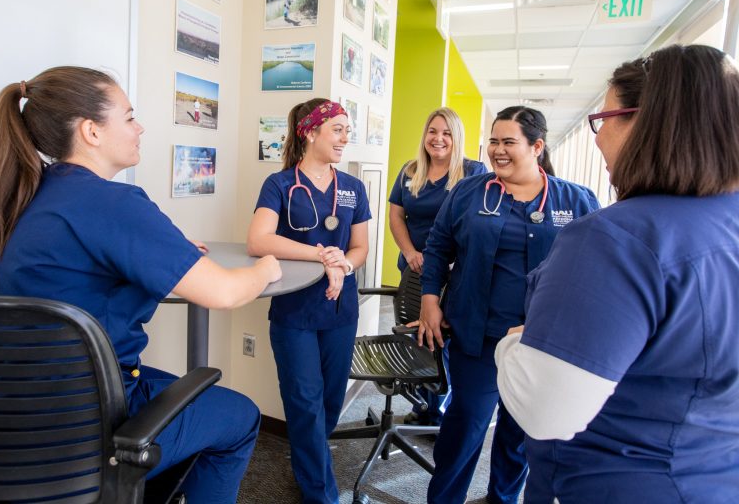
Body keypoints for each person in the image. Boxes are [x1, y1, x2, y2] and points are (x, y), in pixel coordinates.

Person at [0, 66, 282, 504]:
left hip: (4, 425)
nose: (141, 127)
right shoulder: (112, 202)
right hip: (82, 427)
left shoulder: (22, 198)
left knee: (172, 389)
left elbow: (83, 267)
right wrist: (267, 266)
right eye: (130, 116)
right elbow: (225, 292)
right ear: (92, 131)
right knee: (240, 416)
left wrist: (166, 249)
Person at [495, 44, 739, 503]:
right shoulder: (726, 223)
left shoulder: (613, 238)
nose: (597, 137)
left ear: (649, 120)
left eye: (604, 119)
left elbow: (546, 410)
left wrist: (514, 342)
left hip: (615, 482)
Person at [417, 106, 600, 504]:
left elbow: (596, 265)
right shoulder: (469, 191)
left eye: (508, 142)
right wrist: (430, 299)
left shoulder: (577, 199)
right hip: (475, 335)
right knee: (465, 426)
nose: (497, 151)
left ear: (537, 146)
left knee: (519, 434)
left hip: (538, 341)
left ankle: (503, 498)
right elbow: (437, 247)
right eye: (493, 142)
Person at [247, 98, 371, 504]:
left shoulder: (352, 188)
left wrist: (344, 266)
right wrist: (323, 255)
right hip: (294, 311)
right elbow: (259, 240)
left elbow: (359, 248)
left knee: (330, 401)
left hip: (340, 309)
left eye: (346, 130)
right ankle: (321, 493)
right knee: (304, 402)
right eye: (337, 128)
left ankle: (308, 460)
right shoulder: (280, 184)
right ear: (310, 132)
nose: (344, 137)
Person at [389, 107, 486, 426]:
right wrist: (410, 251)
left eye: (446, 133)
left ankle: (447, 405)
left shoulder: (473, 171)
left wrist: (455, 257)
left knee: (447, 336)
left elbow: (479, 222)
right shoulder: (410, 170)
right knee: (421, 335)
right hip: (415, 267)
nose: (438, 138)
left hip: (455, 270)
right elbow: (396, 216)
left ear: (456, 137)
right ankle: (428, 405)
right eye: (433, 131)